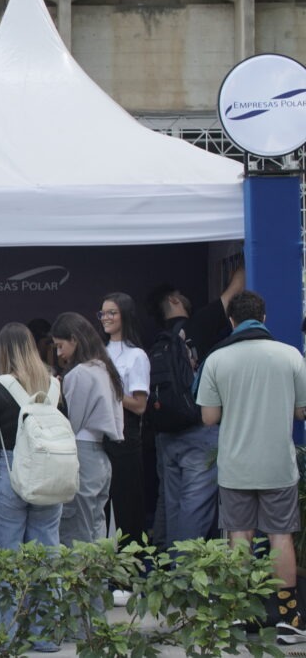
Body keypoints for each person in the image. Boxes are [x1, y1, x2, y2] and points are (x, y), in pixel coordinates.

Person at [196, 290, 306, 644]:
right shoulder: (291, 355)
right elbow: (303, 410)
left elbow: (209, 418)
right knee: (280, 537)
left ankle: (237, 614)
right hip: (278, 465)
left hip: (236, 466)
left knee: (239, 538)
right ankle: (289, 620)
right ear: (265, 316)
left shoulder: (217, 359)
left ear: (231, 319)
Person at [0, 322, 62, 653]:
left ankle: (8, 637)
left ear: (2, 351)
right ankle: (45, 635)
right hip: (48, 474)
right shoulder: (54, 385)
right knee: (46, 555)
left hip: (10, 471)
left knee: (7, 559)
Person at [147, 268, 244, 548]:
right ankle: (186, 580)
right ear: (174, 300)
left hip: (166, 436)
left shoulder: (159, 339)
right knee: (195, 509)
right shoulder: (198, 323)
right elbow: (234, 292)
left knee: (171, 504)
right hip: (199, 432)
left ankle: (167, 572)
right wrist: (242, 257)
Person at [51, 312, 124, 548]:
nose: (59, 353)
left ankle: (78, 584)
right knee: (96, 529)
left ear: (74, 339)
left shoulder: (80, 373)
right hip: (102, 456)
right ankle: (98, 583)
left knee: (76, 532)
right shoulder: (105, 369)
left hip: (81, 454)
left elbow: (71, 423)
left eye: (60, 346)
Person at [98, 293, 149, 551]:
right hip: (99, 435)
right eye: (103, 313)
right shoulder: (100, 353)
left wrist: (111, 390)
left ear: (125, 315)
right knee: (100, 508)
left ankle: (130, 576)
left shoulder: (137, 355)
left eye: (112, 313)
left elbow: (140, 405)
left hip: (125, 435)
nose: (106, 318)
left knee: (127, 507)